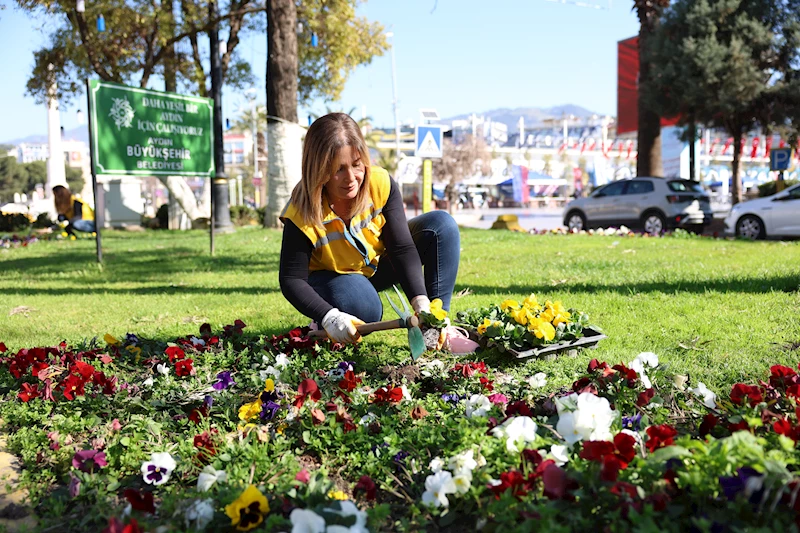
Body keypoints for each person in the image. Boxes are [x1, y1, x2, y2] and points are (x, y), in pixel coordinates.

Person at [279, 113, 463, 345]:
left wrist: (421, 302)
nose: (351, 178)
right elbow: (291, 280)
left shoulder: (380, 182)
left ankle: (435, 328)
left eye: (356, 165)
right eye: (338, 169)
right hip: (331, 280)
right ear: (319, 169)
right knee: (366, 311)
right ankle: (328, 314)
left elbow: (402, 248)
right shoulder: (301, 209)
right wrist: (329, 316)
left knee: (441, 227)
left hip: (372, 268)